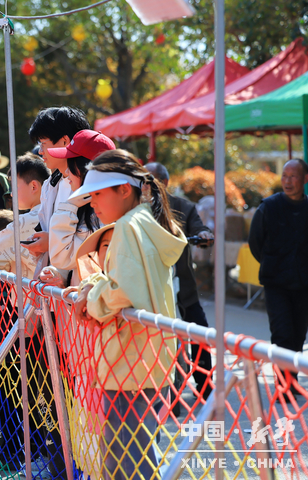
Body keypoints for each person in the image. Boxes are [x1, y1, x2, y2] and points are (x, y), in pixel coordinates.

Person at [63, 149, 186, 480]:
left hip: (127, 361)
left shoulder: (127, 227)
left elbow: (123, 292)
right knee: (136, 452)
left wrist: (91, 297)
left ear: (124, 189)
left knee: (126, 461)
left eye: (98, 194)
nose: (93, 203)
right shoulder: (144, 222)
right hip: (148, 357)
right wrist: (95, 287)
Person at [146, 162, 214, 399]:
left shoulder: (183, 206)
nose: (146, 185)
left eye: (151, 179)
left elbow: (199, 228)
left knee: (200, 331)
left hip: (181, 285)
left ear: (164, 183)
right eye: (143, 180)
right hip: (151, 286)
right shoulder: (137, 207)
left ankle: (205, 385)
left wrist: (203, 234)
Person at [249, 159, 308, 397]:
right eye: (284, 176)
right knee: (282, 333)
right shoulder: (269, 207)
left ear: (305, 179)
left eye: (293, 176)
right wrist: (273, 264)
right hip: (276, 283)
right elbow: (255, 243)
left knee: (298, 335)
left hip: (305, 284)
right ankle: (284, 387)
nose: (288, 181)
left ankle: (291, 382)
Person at [40, 129, 114, 287]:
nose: (67, 172)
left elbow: (62, 257)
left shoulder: (104, 215)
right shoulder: (87, 206)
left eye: (71, 165)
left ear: (87, 169)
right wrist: (59, 275)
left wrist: (70, 205)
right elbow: (68, 261)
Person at [24, 106, 91, 277]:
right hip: (54, 284)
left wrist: (51, 243)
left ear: (65, 141)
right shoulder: (50, 184)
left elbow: (92, 243)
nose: (40, 151)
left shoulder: (90, 184)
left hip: (82, 284)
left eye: (43, 143)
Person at [0, 153, 49, 277]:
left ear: (33, 186)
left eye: (15, 187)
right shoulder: (57, 213)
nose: (12, 194)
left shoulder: (23, 223)